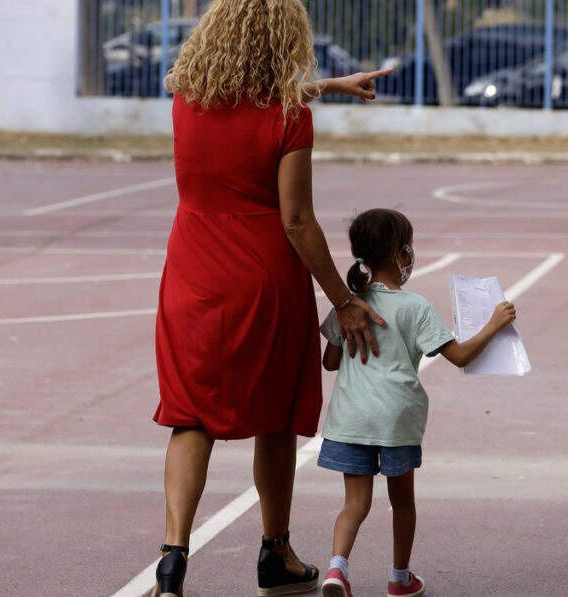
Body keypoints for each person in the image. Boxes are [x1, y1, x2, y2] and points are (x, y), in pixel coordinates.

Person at [149, 1, 393, 596]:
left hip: (192, 271)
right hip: (263, 277)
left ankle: (173, 562)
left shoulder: (185, 96)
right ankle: (274, 551)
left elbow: (244, 95)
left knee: (189, 416)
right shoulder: (289, 115)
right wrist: (344, 299)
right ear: (285, 37)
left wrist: (328, 86)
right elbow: (297, 221)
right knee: (276, 418)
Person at [317, 208, 517, 597]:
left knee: (354, 503)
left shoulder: (348, 305)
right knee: (402, 501)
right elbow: (459, 356)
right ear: (401, 254)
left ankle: (336, 569)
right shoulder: (416, 306)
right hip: (397, 418)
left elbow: (329, 361)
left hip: (351, 418)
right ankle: (399, 577)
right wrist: (494, 324)